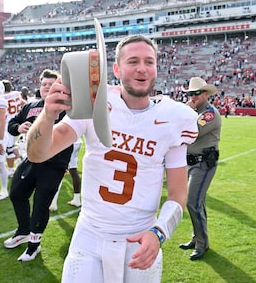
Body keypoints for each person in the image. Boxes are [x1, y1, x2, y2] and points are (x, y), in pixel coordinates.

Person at [26, 34, 198, 282]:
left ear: (156, 69)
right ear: (116, 69)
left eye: (149, 62)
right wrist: (48, 115)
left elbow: (178, 194)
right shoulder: (95, 102)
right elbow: (37, 154)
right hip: (91, 234)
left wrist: (159, 233)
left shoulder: (174, 118)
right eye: (133, 61)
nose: (142, 68)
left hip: (140, 237)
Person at [3, 69, 73, 261]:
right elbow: (12, 123)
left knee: (41, 205)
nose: (47, 88)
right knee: (17, 193)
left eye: (52, 85)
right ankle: (23, 230)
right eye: (44, 85)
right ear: (39, 87)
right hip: (31, 159)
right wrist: (19, 127)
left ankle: (34, 245)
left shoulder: (68, 108)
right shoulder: (31, 106)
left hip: (53, 163)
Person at [178, 77, 221, 260]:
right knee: (197, 203)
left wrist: (185, 110)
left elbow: (192, 131)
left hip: (203, 164)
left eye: (196, 93)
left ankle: (203, 244)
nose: (192, 97)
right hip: (192, 162)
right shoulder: (196, 111)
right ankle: (197, 238)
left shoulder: (209, 114)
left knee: (192, 202)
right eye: (189, 94)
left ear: (205, 94)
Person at [49, 137, 82, 211]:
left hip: (67, 142)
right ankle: (77, 199)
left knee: (58, 171)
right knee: (73, 170)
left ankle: (53, 203)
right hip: (77, 141)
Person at [1, 80, 23, 177]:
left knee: (9, 148)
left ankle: (11, 169)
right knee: (13, 146)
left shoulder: (1, 98)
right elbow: (24, 103)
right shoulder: (17, 94)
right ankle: (19, 163)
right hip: (17, 122)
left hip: (8, 125)